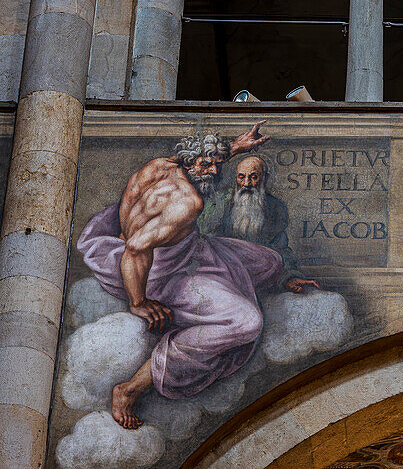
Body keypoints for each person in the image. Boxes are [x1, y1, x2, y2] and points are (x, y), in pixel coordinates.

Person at [76, 123, 298, 429]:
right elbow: (136, 249)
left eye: (218, 165)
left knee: (270, 263)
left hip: (189, 251)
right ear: (192, 161)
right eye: (208, 165)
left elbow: (201, 164)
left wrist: (233, 148)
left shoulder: (160, 167)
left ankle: (231, 288)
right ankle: (131, 388)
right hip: (164, 275)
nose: (213, 173)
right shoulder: (188, 204)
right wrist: (139, 302)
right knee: (247, 323)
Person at [203, 155, 319, 292]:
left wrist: (289, 277)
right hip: (222, 271)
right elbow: (205, 241)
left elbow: (281, 247)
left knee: (273, 260)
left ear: (265, 178)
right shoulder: (220, 203)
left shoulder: (276, 208)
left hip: (259, 274)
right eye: (241, 177)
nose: (246, 184)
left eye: (253, 177)